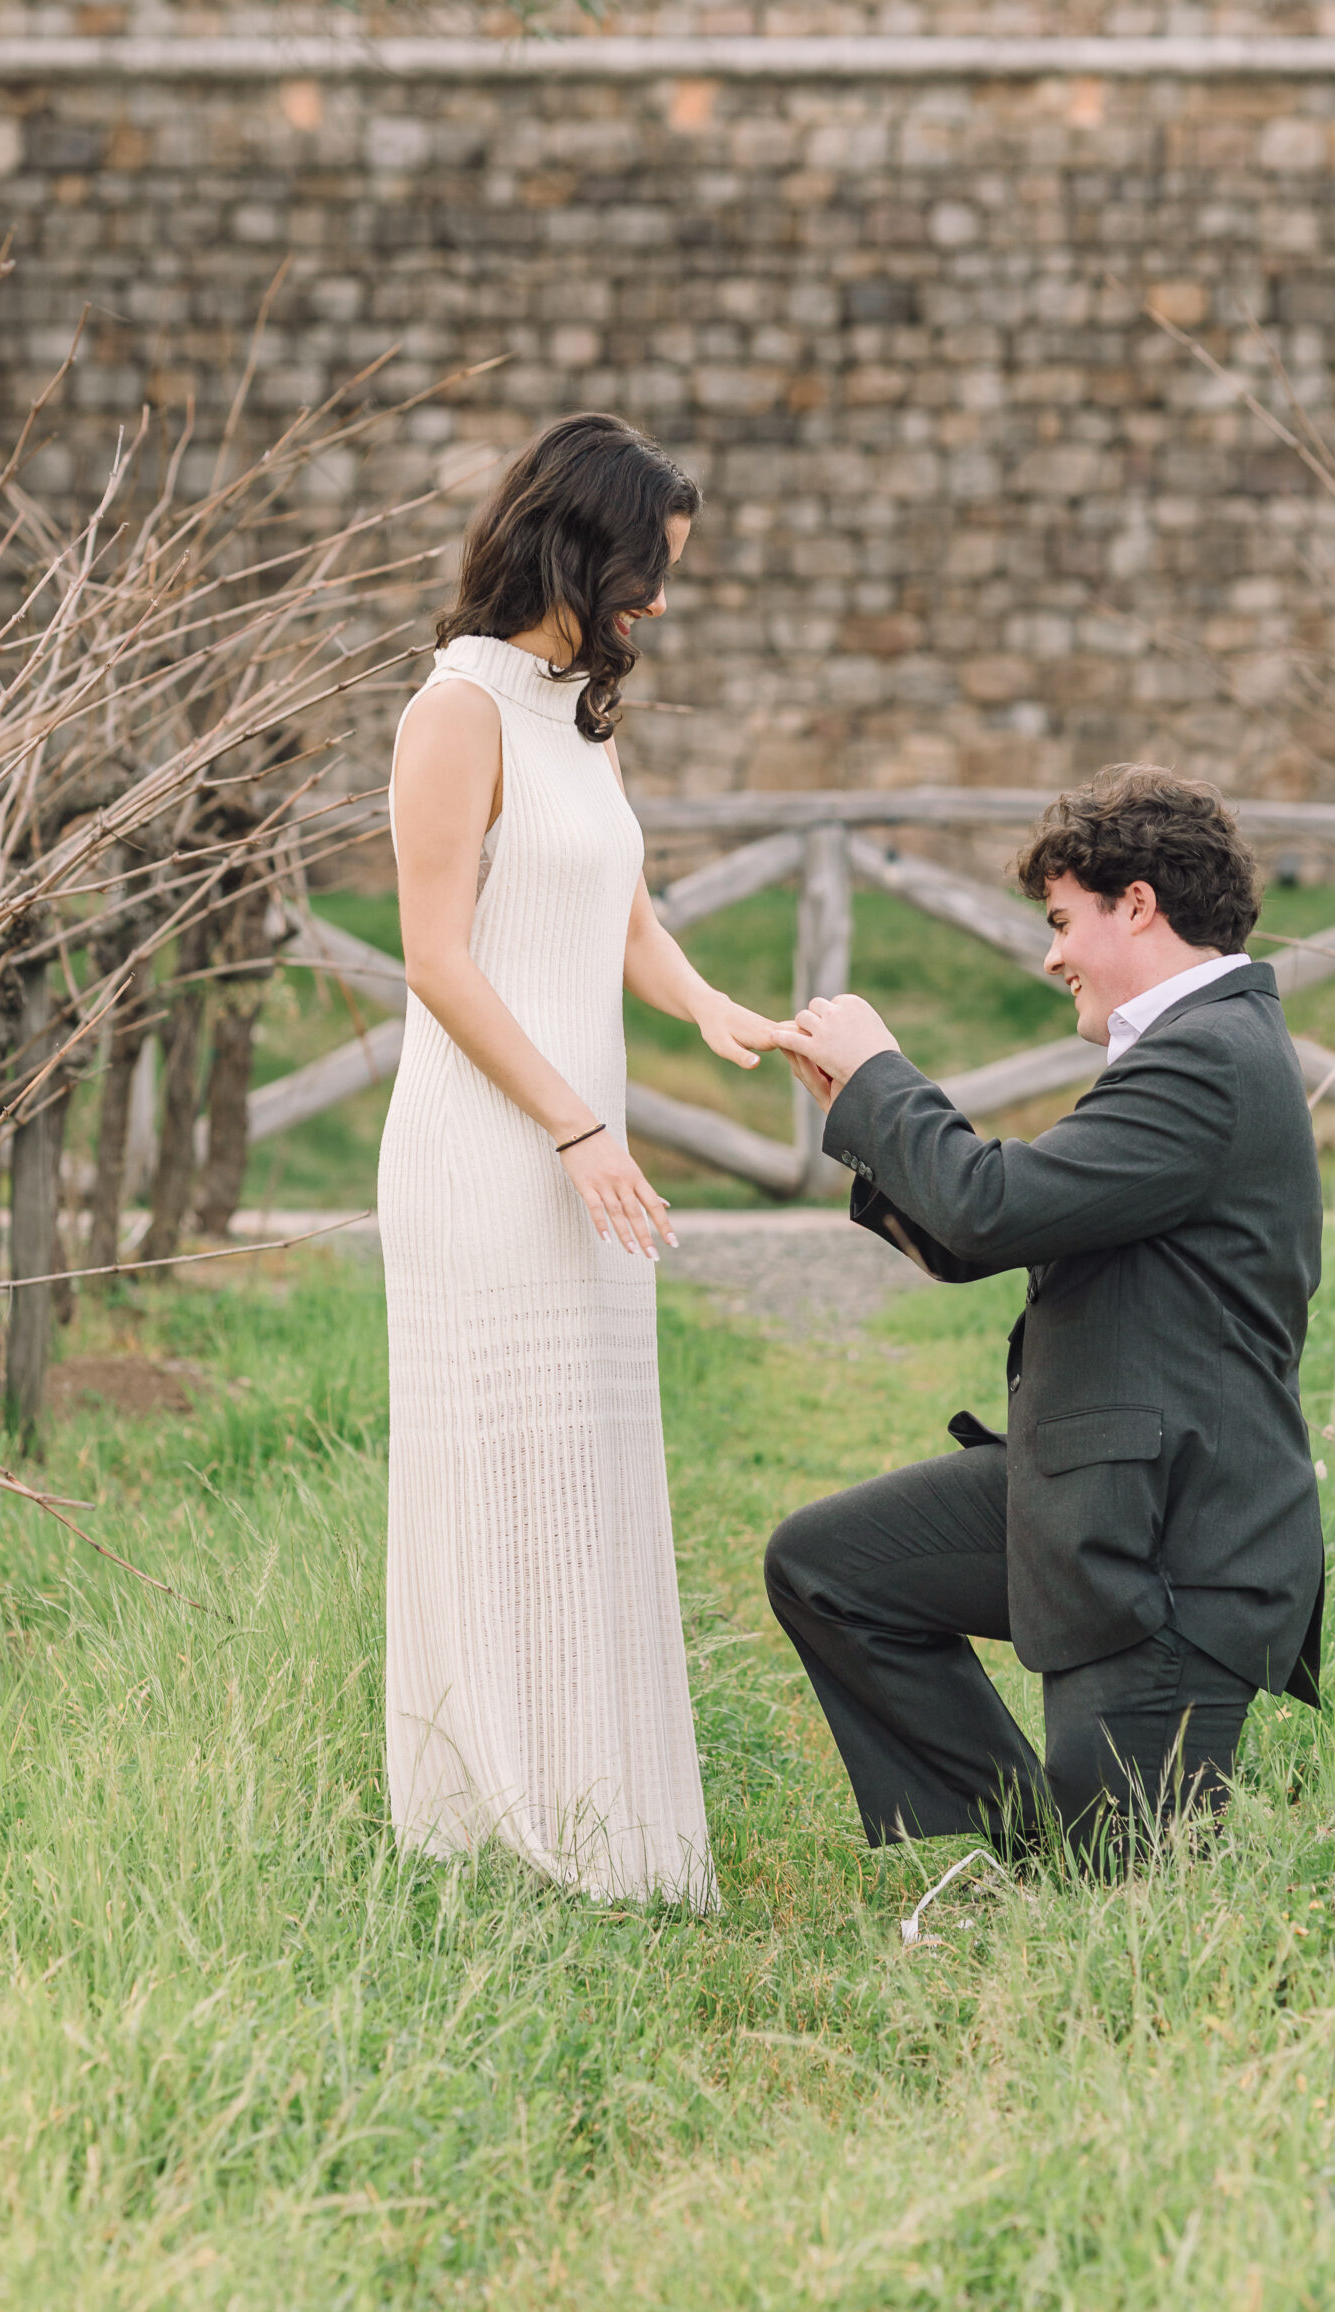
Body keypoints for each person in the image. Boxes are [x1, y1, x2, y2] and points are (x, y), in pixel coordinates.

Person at [766, 765, 1324, 1868]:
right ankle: (1032, 1845)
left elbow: (990, 1205)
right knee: (828, 1568)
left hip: (1175, 1557)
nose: (1051, 951)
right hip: (1098, 1500)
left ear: (1138, 904)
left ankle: (1064, 1860)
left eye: (1064, 919)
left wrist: (883, 1075)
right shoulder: (1190, 1051)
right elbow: (991, 1233)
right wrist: (865, 1117)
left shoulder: (1208, 1061)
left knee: (1127, 1910)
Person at [380, 413, 779, 1909]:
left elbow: (617, 912)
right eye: (643, 569)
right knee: (508, 1467)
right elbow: (435, 958)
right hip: (487, 1152)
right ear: (569, 542)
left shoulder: (571, 709)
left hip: (577, 1135)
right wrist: (573, 1126)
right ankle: (496, 1826)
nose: (655, 605)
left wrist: (713, 1012)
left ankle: (598, 1815)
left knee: (590, 1467)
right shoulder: (456, 710)